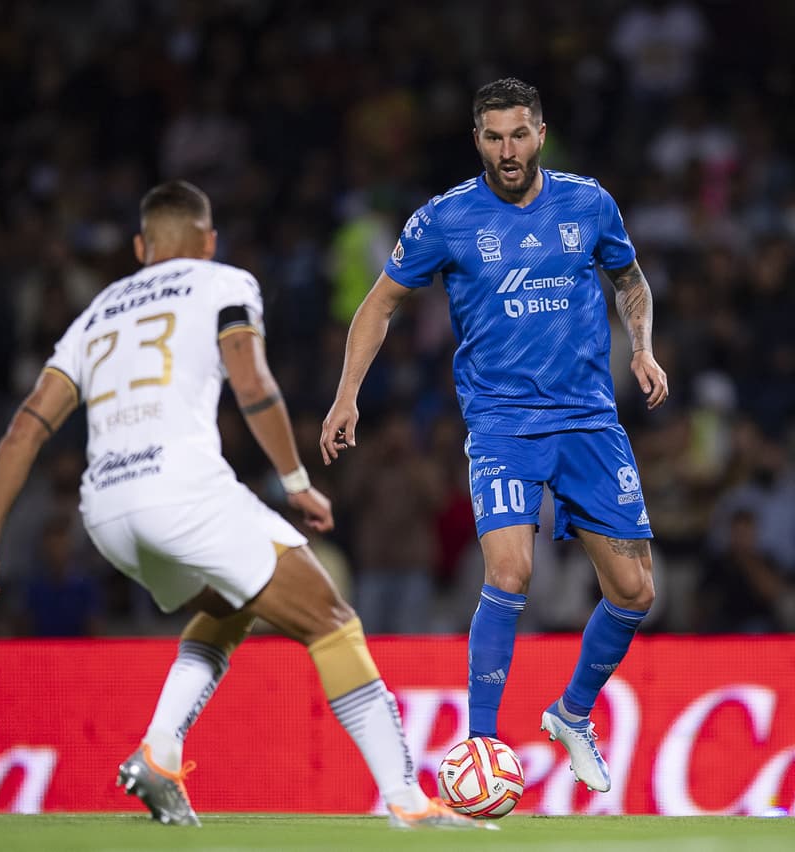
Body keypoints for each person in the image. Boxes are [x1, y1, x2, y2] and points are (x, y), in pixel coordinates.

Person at [0, 181, 482, 831]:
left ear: (140, 246)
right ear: (208, 241)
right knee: (333, 620)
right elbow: (252, 379)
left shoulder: (93, 315)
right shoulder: (222, 283)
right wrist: (294, 480)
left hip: (107, 513)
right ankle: (408, 803)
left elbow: (23, 431)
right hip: (180, 491)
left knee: (231, 605)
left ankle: (160, 751)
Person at [320, 78, 669, 794]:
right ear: (476, 140)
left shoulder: (588, 201)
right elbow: (379, 304)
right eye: (492, 137)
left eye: (518, 135)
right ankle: (480, 745)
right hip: (503, 424)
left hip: (588, 420)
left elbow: (629, 279)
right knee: (510, 573)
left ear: (540, 133)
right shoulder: (445, 219)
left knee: (634, 592)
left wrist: (641, 346)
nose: (507, 151)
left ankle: (573, 715)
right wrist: (347, 394)